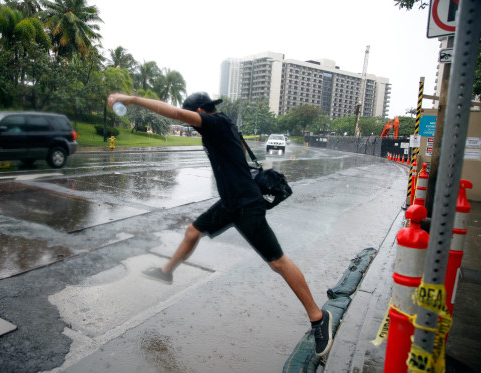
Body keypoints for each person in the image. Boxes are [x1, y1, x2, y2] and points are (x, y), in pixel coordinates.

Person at [107, 92, 333, 357]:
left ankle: (318, 318)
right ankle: (167, 271)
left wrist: (131, 99)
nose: (192, 125)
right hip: (230, 202)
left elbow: (177, 114)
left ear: (200, 112)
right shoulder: (221, 123)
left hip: (246, 205)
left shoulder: (214, 124)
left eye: (194, 120)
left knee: (277, 262)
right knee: (193, 231)